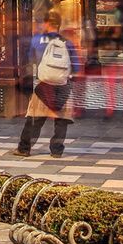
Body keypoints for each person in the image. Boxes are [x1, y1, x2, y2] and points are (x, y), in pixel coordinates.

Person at [15, 12, 79, 157]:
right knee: (61, 120)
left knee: (35, 118)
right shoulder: (67, 43)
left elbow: (30, 60)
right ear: (59, 25)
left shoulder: (37, 40)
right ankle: (56, 150)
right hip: (62, 85)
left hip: (43, 85)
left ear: (46, 23)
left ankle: (24, 148)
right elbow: (75, 66)